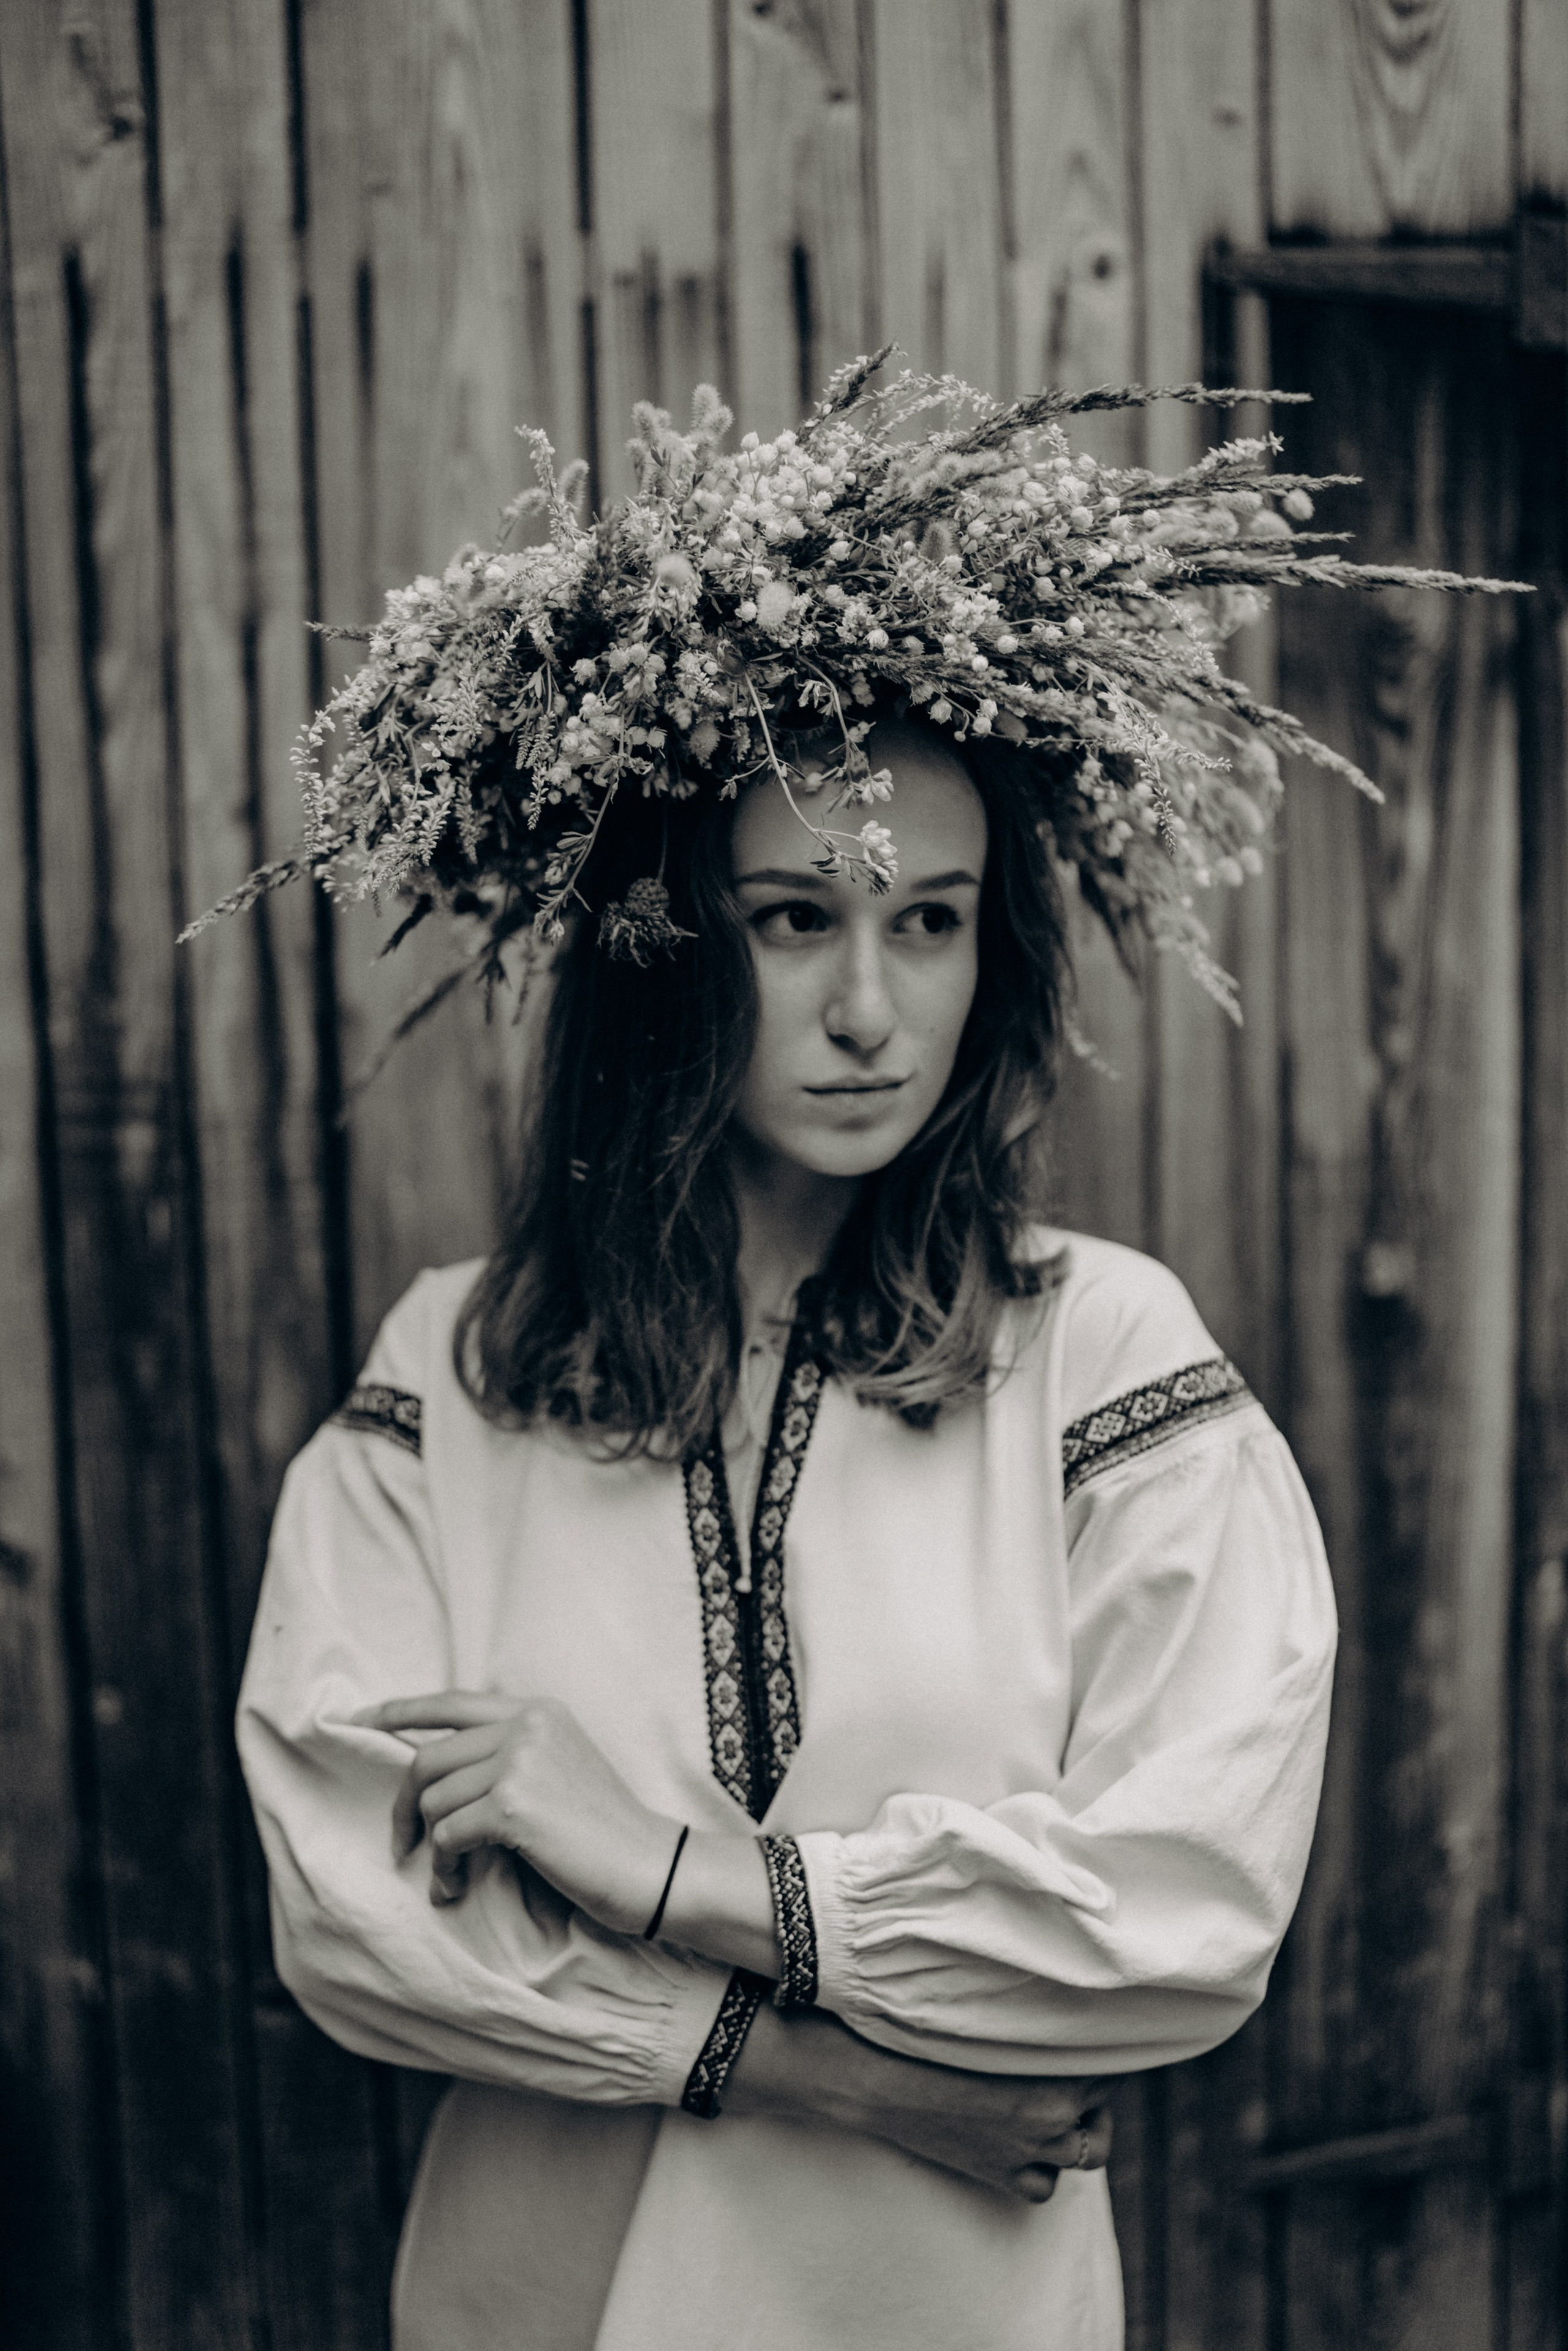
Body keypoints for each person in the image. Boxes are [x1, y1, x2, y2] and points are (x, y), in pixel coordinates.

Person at [237, 708, 1337, 2350]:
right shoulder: (456, 1370)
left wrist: (672, 1873)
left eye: (931, 920)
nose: (870, 1010)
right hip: (549, 2300)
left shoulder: (1103, 1352)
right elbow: (356, 1912)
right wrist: (840, 2078)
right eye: (796, 918)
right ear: (658, 943)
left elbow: (1186, 1902)